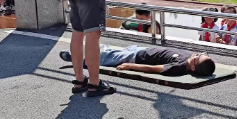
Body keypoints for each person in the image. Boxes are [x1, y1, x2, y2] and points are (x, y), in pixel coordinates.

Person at [60, 45, 216, 79]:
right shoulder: (191, 60)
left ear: (193, 67)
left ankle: (76, 59)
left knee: (106, 57)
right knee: (108, 51)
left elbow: (153, 69)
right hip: (142, 49)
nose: (196, 54)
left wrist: (130, 66)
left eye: (197, 57)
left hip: (136, 58)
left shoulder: (180, 67)